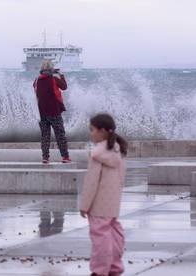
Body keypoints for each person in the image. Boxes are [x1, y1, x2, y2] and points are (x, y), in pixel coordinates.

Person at [79, 113, 127, 276]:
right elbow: (121, 178)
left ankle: (100, 271)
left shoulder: (97, 154)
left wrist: (85, 205)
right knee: (114, 234)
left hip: (98, 204)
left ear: (102, 131)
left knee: (100, 239)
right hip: (113, 203)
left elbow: (91, 183)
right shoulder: (116, 150)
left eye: (92, 130)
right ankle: (115, 267)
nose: (90, 133)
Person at [33, 59, 71, 164]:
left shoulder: (36, 80)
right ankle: (65, 157)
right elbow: (64, 87)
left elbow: (36, 90)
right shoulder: (54, 79)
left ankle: (45, 158)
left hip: (42, 113)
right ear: (51, 69)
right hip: (54, 111)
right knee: (60, 135)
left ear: (41, 69)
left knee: (45, 136)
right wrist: (61, 75)